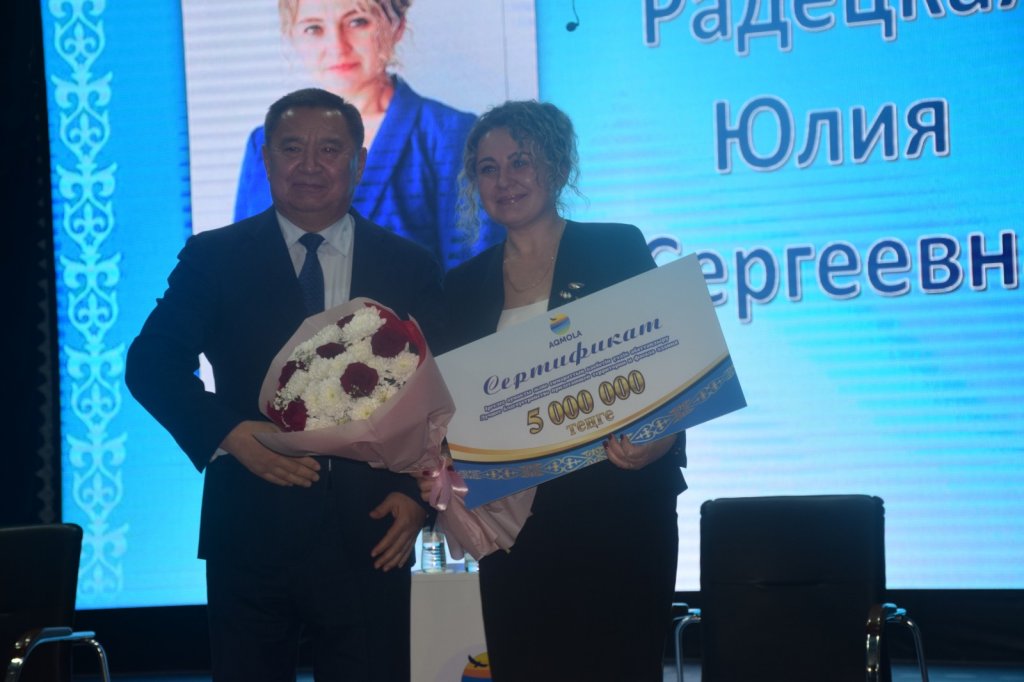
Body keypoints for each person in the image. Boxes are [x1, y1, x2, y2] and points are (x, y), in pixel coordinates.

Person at [126, 87, 444, 682]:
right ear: (266, 159)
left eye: (330, 149)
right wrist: (229, 433)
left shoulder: (411, 265)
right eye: (292, 148)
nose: (310, 165)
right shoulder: (214, 257)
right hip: (250, 529)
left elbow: (440, 393)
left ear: (360, 161)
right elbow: (151, 363)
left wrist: (416, 494)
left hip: (375, 531)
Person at [432, 100, 688, 681]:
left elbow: (670, 362)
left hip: (619, 510)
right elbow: (449, 401)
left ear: (558, 166)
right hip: (513, 523)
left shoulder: (615, 248)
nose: (505, 180)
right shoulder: (463, 284)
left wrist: (659, 438)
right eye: (489, 168)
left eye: (520, 161)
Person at [234, 0, 500, 270]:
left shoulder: (451, 136)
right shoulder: (264, 143)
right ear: (291, 36)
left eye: (357, 22)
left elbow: (474, 276)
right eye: (313, 28)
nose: (337, 46)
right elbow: (243, 269)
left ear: (397, 26)